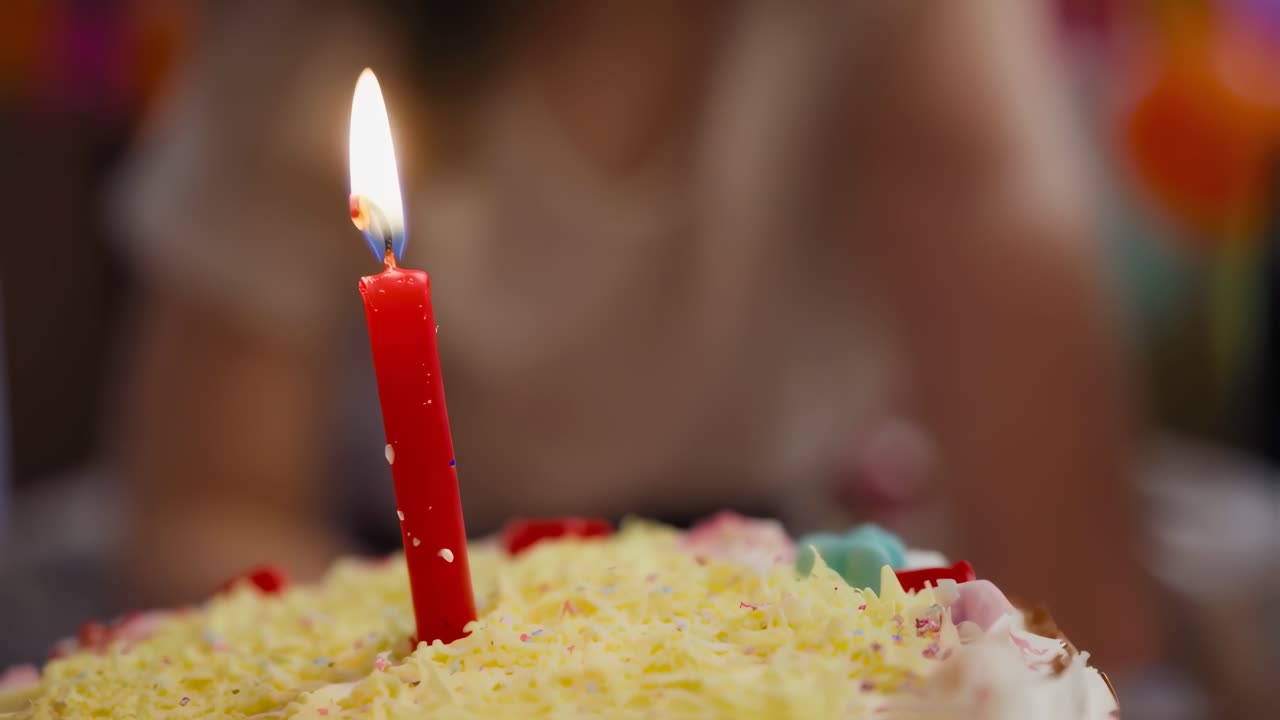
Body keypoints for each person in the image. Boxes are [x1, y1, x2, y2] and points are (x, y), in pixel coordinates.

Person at [110, 0, 1160, 675]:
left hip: (783, 593)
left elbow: (1070, 585)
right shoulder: (308, 34)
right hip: (382, 599)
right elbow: (205, 505)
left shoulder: (900, 30)